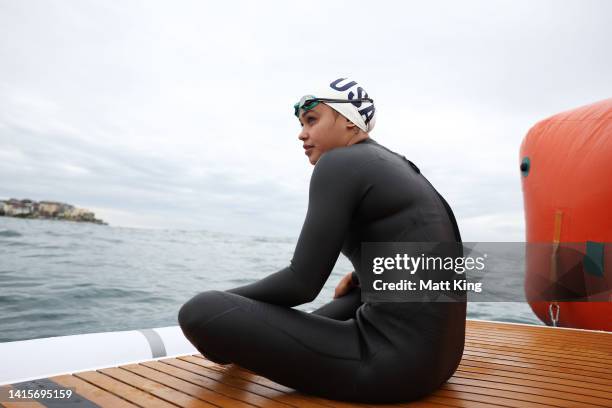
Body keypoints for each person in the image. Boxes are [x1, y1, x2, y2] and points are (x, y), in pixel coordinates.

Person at [178, 77, 466, 403]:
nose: (302, 134)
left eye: (312, 120)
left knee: (201, 311)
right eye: (302, 124)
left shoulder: (339, 163)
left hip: (391, 369)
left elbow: (301, 284)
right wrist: (361, 277)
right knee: (353, 296)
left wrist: (226, 304)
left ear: (348, 122)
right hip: (438, 362)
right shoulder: (400, 167)